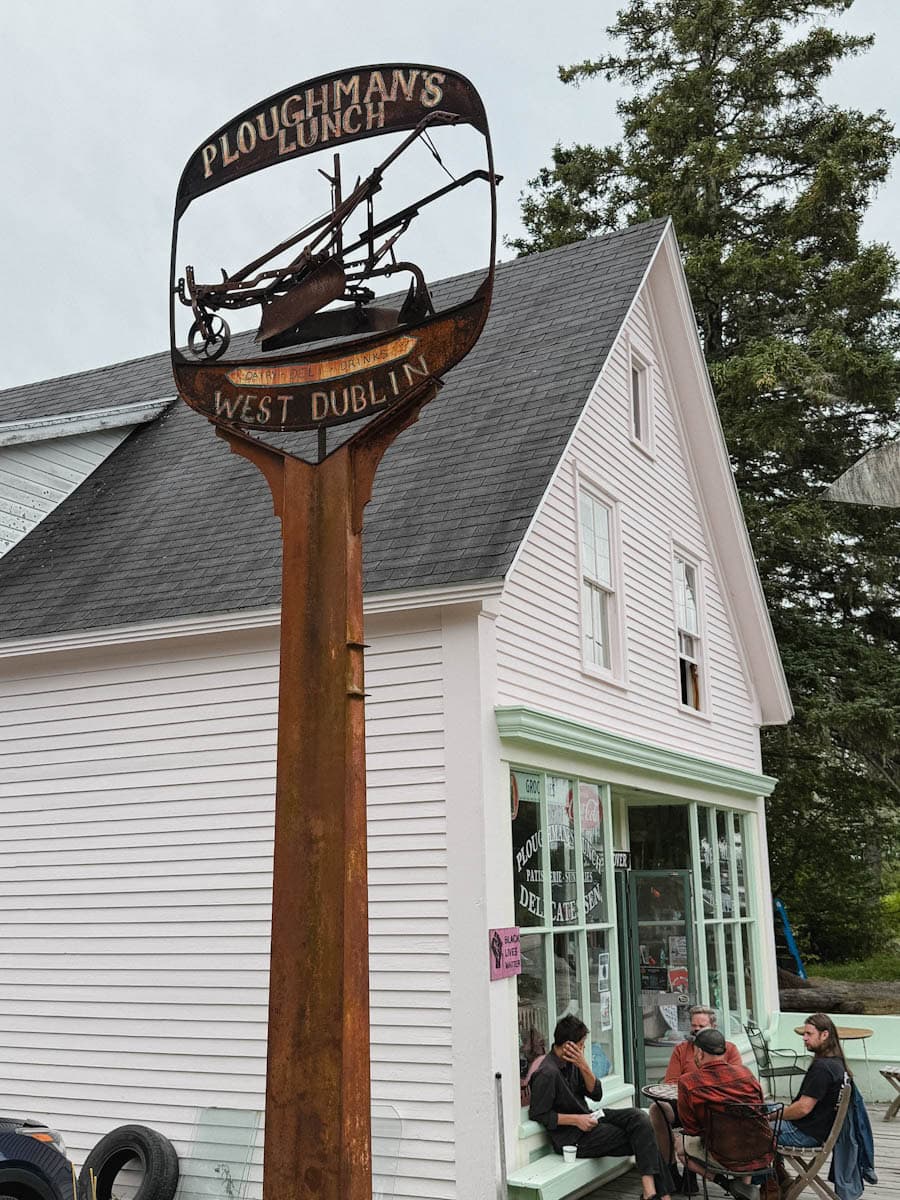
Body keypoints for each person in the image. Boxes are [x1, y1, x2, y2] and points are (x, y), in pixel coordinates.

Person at [529, 1014, 673, 1200]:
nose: (583, 1049)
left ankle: (651, 1193)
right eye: (581, 1045)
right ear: (568, 1046)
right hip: (572, 1137)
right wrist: (576, 1120)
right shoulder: (547, 1073)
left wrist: (584, 1066)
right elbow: (539, 1114)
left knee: (639, 1117)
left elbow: (596, 1094)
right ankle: (659, 1195)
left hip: (591, 1117)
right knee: (643, 1136)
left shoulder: (574, 1063)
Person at [649, 1005, 743, 1192]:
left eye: (702, 1026)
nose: (696, 1030)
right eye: (694, 1026)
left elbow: (735, 1081)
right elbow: (671, 1082)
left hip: (716, 1109)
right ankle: (671, 1169)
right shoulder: (682, 1049)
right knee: (656, 1109)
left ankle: (692, 1171)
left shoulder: (729, 1049)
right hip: (684, 1102)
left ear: (713, 1026)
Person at [677, 1027, 765, 1200]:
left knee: (681, 1148)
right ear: (724, 1052)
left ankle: (726, 1184)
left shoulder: (688, 1082)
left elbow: (691, 1128)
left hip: (722, 1153)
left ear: (700, 1053)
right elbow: (760, 1109)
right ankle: (744, 1188)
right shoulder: (746, 1073)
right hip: (760, 1149)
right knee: (744, 1134)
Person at [776, 1013, 848, 1149]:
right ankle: (776, 1169)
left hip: (804, 1133)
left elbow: (803, 1109)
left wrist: (774, 1116)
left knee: (750, 1127)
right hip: (820, 1131)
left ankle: (754, 1169)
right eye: (804, 1034)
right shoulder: (838, 1063)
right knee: (763, 1109)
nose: (804, 1038)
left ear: (824, 1035)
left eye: (809, 1034)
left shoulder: (822, 1068)